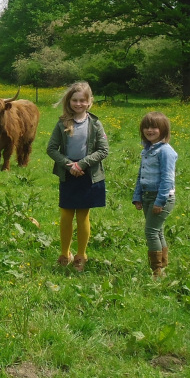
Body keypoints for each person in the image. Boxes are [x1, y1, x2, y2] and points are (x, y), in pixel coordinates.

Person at [46, 81, 109, 272]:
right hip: (68, 175)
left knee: (83, 216)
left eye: (83, 100)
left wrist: (81, 164)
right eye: (75, 100)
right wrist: (68, 165)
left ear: (89, 102)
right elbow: (51, 148)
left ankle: (81, 255)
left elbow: (103, 150)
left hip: (88, 175)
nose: (79, 104)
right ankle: (65, 253)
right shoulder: (62, 123)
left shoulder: (96, 124)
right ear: (69, 101)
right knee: (66, 215)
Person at [132, 112, 177, 279]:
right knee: (158, 232)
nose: (149, 130)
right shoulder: (147, 150)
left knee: (151, 232)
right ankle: (163, 266)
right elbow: (141, 175)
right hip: (147, 196)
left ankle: (156, 271)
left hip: (162, 197)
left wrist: (160, 201)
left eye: (154, 127)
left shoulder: (165, 151)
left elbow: (167, 179)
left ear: (163, 129)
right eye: (146, 127)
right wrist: (137, 196)